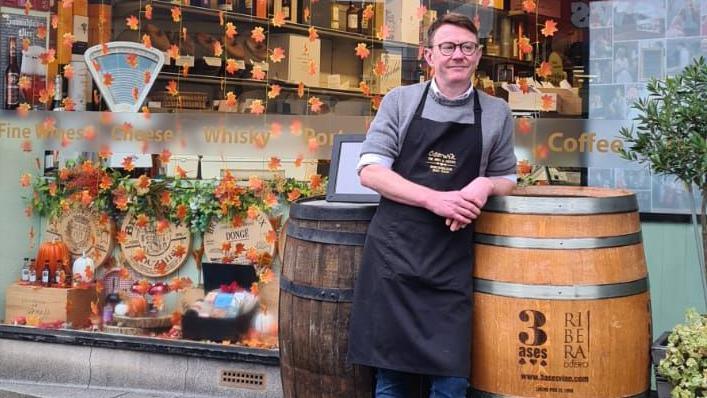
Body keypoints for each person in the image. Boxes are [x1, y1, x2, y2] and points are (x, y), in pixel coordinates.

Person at [347, 13, 517, 398]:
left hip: (450, 264)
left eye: (467, 47)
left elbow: (509, 177)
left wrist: (484, 183)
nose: (458, 55)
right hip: (395, 259)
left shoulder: (495, 112)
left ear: (477, 55)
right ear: (428, 55)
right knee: (392, 382)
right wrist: (436, 199)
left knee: (452, 382)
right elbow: (371, 171)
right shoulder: (400, 101)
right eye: (448, 47)